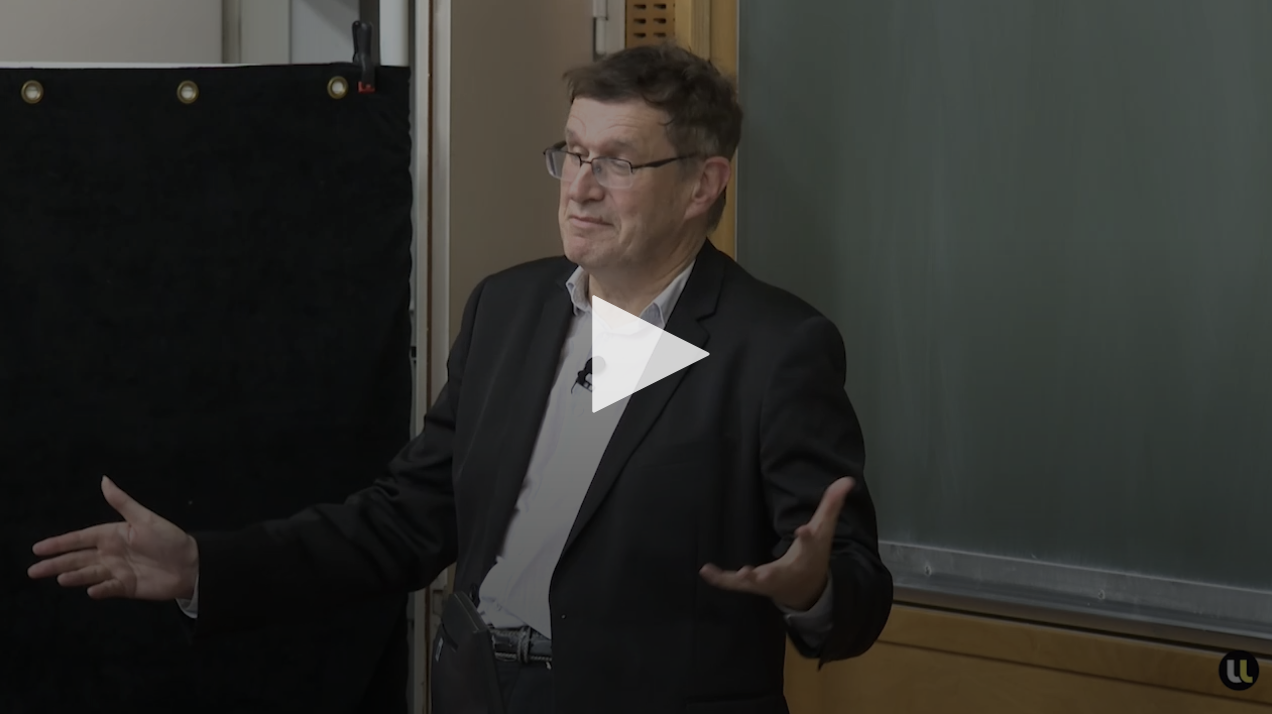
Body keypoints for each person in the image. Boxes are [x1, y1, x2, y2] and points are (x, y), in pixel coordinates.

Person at [28, 42, 893, 713]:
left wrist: (813, 588)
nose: (580, 188)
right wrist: (204, 567)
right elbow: (403, 520)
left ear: (704, 184)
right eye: (573, 153)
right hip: (480, 691)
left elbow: (855, 588)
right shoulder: (509, 310)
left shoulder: (776, 348)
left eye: (618, 163)